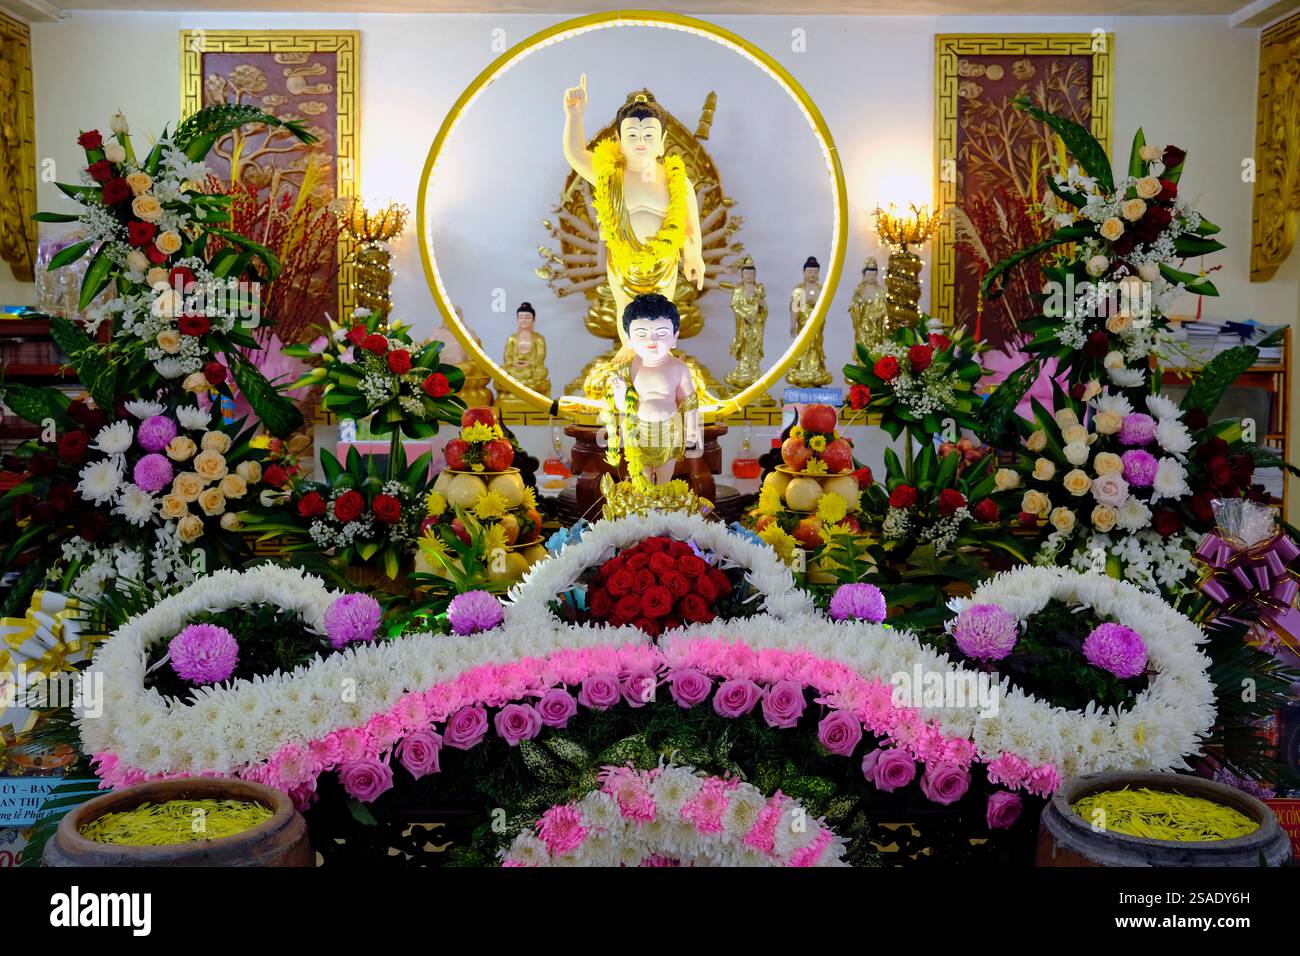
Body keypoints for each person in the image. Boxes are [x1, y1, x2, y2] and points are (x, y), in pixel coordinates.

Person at [562, 78, 705, 338]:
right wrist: (574, 115)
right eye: (632, 135)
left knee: (661, 315)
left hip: (663, 263)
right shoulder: (608, 175)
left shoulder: (675, 180)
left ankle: (659, 361)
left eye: (649, 135)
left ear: (662, 140)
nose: (640, 141)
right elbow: (574, 152)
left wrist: (694, 255)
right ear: (618, 138)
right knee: (625, 314)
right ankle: (629, 358)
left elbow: (690, 224)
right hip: (623, 263)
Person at [602, 293, 702, 487]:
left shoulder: (678, 368)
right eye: (641, 334)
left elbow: (689, 401)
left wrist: (691, 429)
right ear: (628, 339)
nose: (652, 340)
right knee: (642, 478)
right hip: (638, 433)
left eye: (662, 333)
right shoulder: (628, 369)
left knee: (665, 476)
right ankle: (644, 508)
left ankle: (663, 503)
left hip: (669, 432)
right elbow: (624, 407)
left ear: (675, 338)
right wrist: (621, 395)